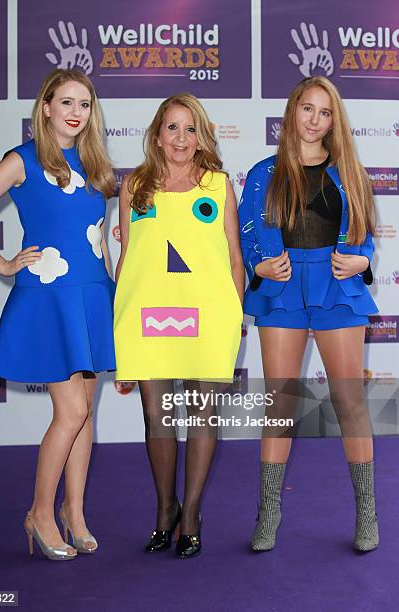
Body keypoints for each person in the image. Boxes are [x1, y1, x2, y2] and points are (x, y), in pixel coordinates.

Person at [0, 68, 116, 561]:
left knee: (87, 414)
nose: (74, 112)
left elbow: (97, 239)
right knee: (72, 411)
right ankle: (39, 513)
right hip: (49, 298)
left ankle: (75, 512)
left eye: (83, 104)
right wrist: (2, 263)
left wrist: (112, 287)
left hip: (90, 296)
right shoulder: (22, 160)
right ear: (45, 108)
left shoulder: (94, 164)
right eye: (65, 102)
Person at [238, 76, 379, 553]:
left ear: (333, 120)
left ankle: (366, 515)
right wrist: (258, 262)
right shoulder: (263, 172)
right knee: (280, 404)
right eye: (307, 109)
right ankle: (268, 513)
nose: (315, 120)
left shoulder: (350, 171)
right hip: (282, 290)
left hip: (338, 287)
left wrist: (363, 260)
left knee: (350, 404)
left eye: (324, 113)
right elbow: (247, 230)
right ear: (291, 112)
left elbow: (366, 233)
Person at [114, 93, 244, 558]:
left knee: (203, 416)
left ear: (201, 135)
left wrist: (234, 316)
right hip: (148, 319)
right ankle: (164, 509)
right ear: (157, 134)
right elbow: (129, 259)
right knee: (158, 418)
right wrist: (120, 325)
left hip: (209, 317)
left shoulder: (219, 185)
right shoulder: (135, 186)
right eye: (172, 128)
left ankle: (191, 513)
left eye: (190, 129)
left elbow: (234, 257)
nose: (181, 138)